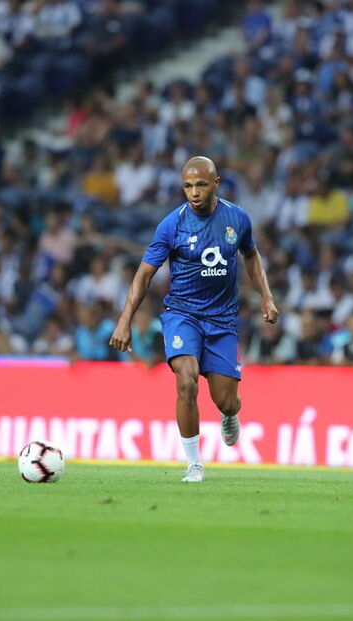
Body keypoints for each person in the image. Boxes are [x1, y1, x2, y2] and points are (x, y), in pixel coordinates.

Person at [109, 156, 279, 482]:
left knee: (226, 400)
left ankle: (230, 415)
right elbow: (145, 274)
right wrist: (124, 319)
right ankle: (194, 464)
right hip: (182, 315)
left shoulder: (237, 219)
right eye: (187, 186)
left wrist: (266, 297)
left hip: (223, 321)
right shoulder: (171, 225)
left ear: (215, 184)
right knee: (186, 380)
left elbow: (251, 255)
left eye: (201, 185)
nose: (194, 192)